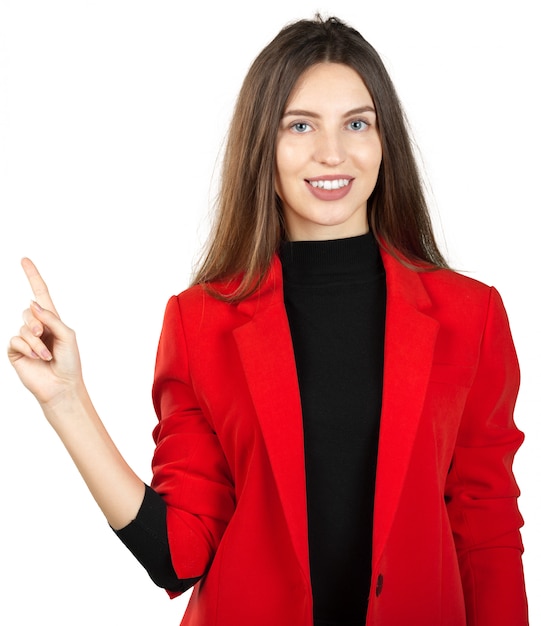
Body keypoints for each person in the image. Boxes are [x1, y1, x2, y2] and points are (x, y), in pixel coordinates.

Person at [7, 14, 528, 626]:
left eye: (357, 123)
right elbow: (179, 557)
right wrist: (67, 403)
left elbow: (486, 528)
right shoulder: (198, 321)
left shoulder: (472, 316)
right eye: (300, 125)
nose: (331, 152)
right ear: (264, 144)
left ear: (385, 144)